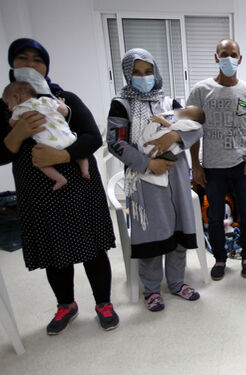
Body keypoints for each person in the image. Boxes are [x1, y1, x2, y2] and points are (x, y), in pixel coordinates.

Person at [0, 38, 117, 334]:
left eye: (37, 60)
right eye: (22, 58)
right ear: (12, 64)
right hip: (37, 192)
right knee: (55, 252)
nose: (29, 65)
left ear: (46, 66)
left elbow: (93, 137)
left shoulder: (64, 98)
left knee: (93, 250)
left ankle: (103, 303)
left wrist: (63, 154)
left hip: (80, 186)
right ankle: (66, 305)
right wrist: (19, 133)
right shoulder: (7, 104)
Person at [107, 48, 202, 312]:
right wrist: (148, 163)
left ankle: (176, 282)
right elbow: (115, 142)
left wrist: (175, 137)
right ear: (128, 74)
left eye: (148, 71)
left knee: (179, 231)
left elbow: (197, 128)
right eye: (136, 73)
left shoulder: (171, 102)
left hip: (177, 177)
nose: (143, 77)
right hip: (145, 180)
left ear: (155, 72)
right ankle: (151, 289)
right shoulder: (121, 103)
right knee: (151, 233)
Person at [188, 39, 246, 280]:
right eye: (223, 54)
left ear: (240, 59)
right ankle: (220, 259)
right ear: (216, 57)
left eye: (233, 54)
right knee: (214, 216)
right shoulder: (201, 90)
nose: (228, 59)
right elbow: (191, 129)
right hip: (212, 166)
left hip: (242, 164)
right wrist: (195, 165)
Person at [2, 81, 90, 190]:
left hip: (49, 145)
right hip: (68, 138)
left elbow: (12, 123)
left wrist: (14, 123)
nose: (9, 108)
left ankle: (59, 179)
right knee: (81, 155)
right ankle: (85, 170)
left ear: (16, 97)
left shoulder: (19, 110)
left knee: (41, 163)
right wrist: (61, 103)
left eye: (8, 103)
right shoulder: (46, 100)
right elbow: (63, 111)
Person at [139, 106, 205, 187]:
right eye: (185, 109)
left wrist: (175, 136)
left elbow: (198, 131)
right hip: (145, 157)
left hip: (174, 166)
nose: (183, 111)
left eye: (187, 113)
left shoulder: (188, 122)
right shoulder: (124, 104)